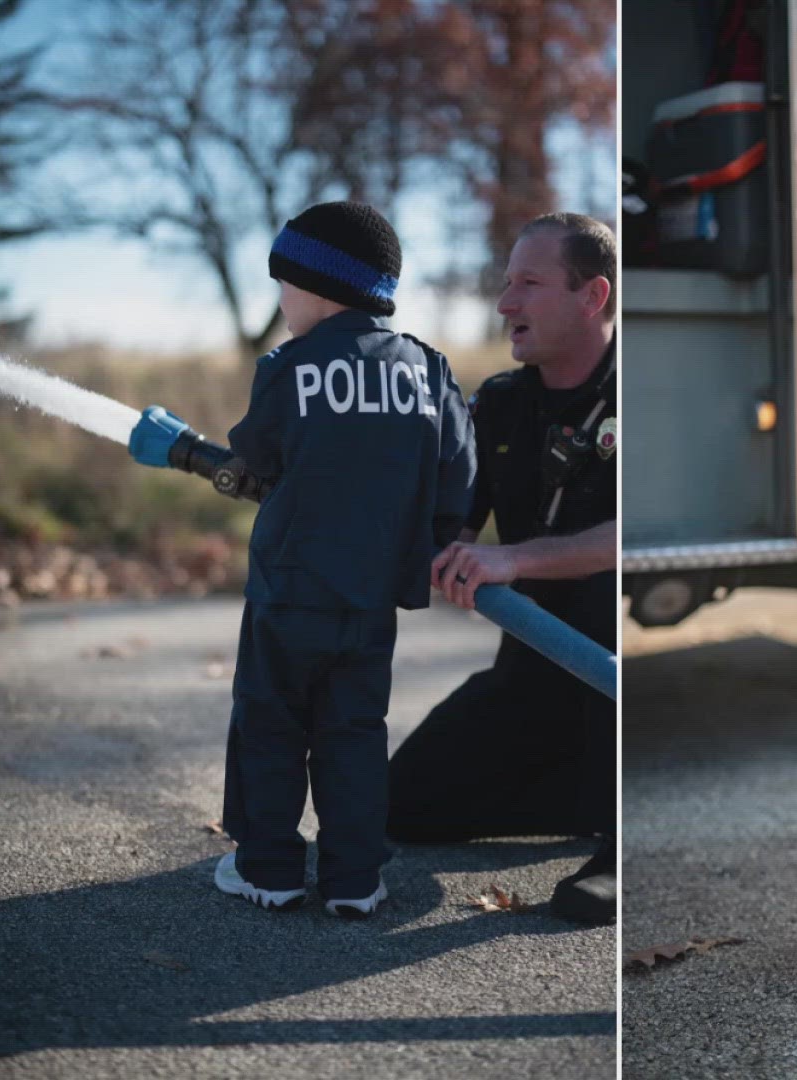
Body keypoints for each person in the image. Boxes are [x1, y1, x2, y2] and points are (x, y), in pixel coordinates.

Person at [130, 201, 475, 917]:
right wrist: (432, 534)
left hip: (288, 595)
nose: (280, 302)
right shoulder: (429, 370)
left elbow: (256, 461)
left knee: (271, 725)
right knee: (354, 731)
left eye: (283, 285)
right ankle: (355, 879)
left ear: (319, 287)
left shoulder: (292, 367)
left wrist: (189, 450)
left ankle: (270, 870)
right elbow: (458, 478)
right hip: (373, 599)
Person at [387, 213, 618, 926]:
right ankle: (588, 797)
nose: (505, 303)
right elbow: (452, 523)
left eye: (529, 283)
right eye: (505, 282)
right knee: (399, 806)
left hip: (613, 678)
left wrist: (512, 559)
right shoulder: (498, 404)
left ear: (593, 295)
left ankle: (617, 841)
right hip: (530, 671)